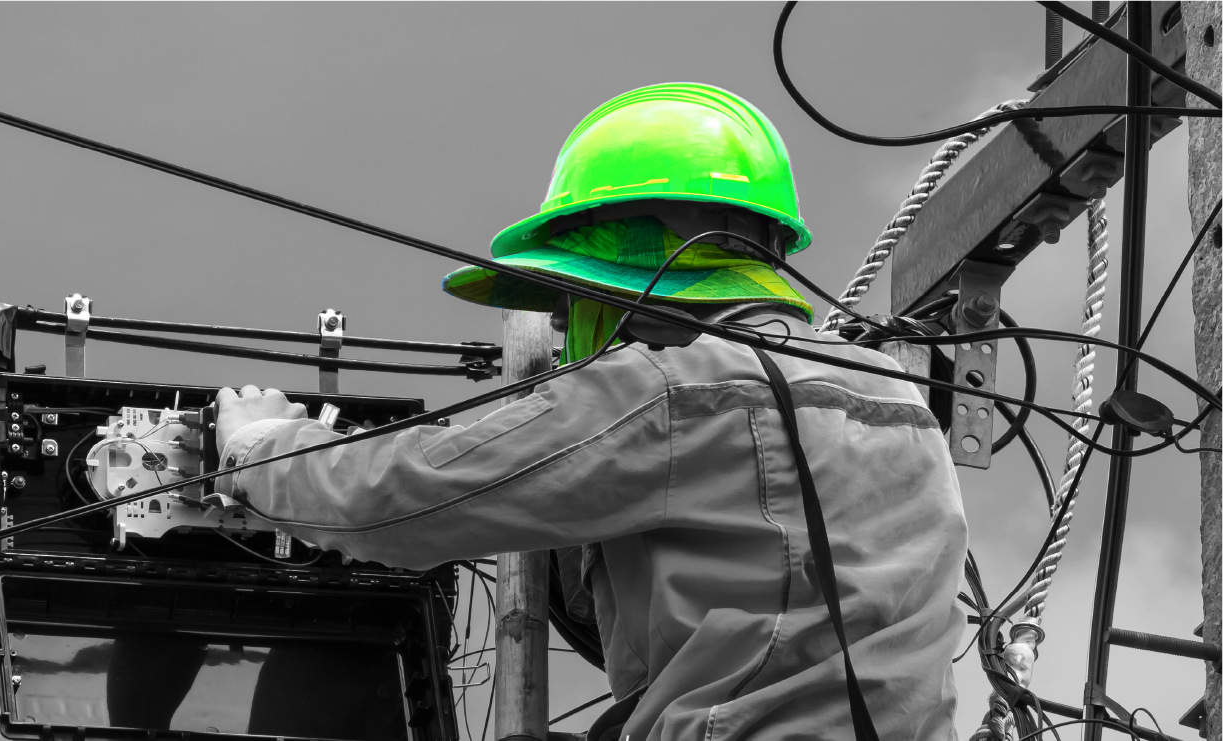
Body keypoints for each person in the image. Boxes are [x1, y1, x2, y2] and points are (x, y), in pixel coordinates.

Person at [214, 82, 965, 740]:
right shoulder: (895, 396)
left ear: (618, 267)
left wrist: (262, 445)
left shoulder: (672, 389)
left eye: (569, 298)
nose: (564, 327)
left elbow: (401, 494)